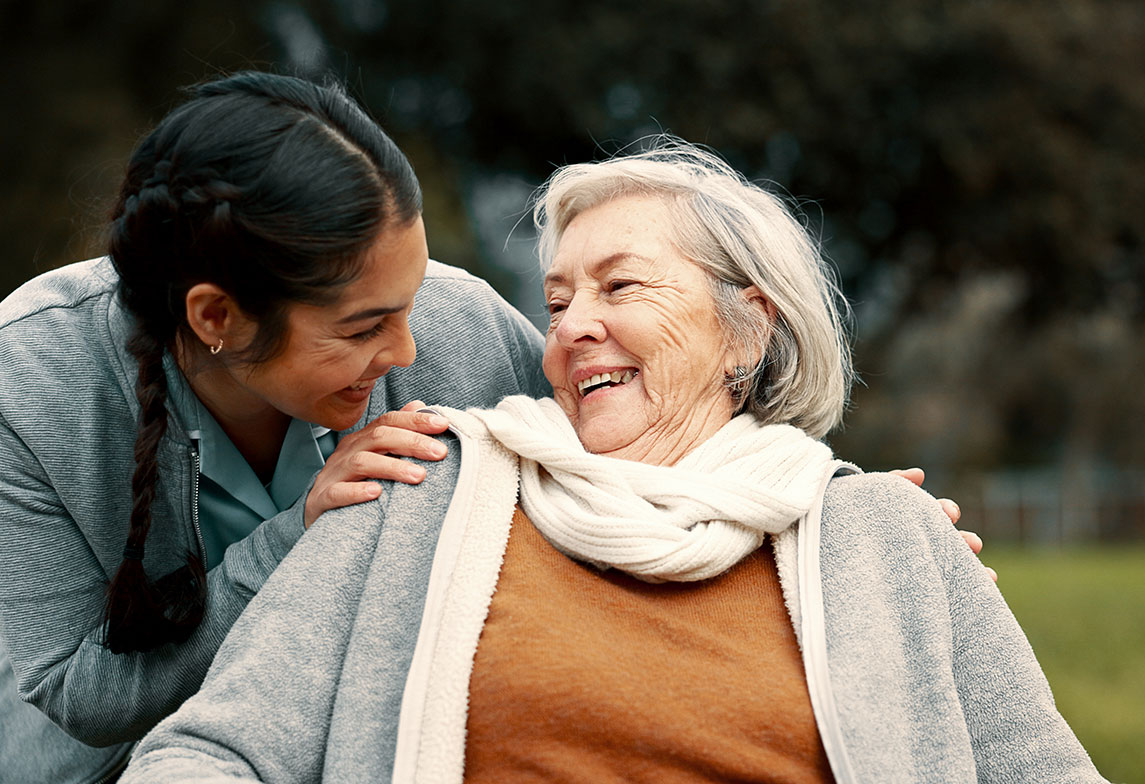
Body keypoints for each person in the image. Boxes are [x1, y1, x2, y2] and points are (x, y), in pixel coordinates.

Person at [0, 76, 967, 782]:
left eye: (411, 299)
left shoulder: (454, 331)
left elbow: (640, 420)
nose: (408, 348)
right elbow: (82, 694)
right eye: (364, 328)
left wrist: (843, 520)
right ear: (216, 319)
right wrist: (300, 536)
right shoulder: (30, 380)